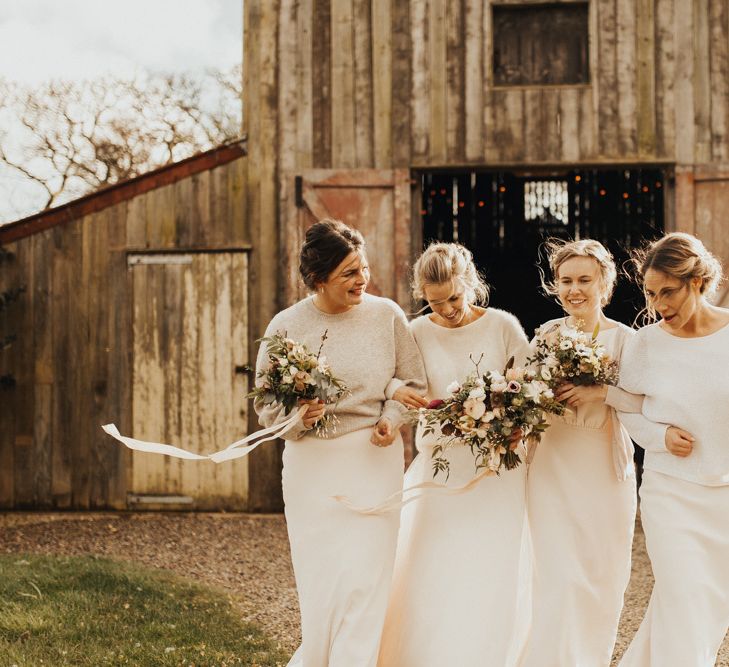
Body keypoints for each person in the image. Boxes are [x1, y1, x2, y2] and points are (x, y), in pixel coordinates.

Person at [253, 219, 426, 667]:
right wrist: (296, 417)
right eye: (349, 272)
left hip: (373, 460)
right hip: (312, 468)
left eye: (363, 268)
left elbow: (411, 380)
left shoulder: (387, 315)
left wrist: (392, 418)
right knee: (323, 583)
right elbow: (266, 405)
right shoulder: (285, 326)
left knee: (367, 582)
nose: (361, 280)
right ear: (317, 279)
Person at [377, 242, 531, 667]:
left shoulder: (502, 326)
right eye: (434, 302)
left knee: (490, 565)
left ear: (470, 285)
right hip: (440, 469)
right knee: (432, 566)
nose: (445, 310)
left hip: (496, 470)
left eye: (453, 299)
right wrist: (394, 402)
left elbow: (530, 388)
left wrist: (517, 425)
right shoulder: (416, 332)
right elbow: (395, 383)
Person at [521, 239, 640, 667]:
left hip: (602, 472)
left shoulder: (627, 340)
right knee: (555, 571)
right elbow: (522, 394)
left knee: (598, 572)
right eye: (566, 280)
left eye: (584, 280)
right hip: (552, 464)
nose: (574, 289)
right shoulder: (546, 335)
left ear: (604, 283)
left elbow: (643, 402)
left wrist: (602, 391)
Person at [617, 232, 729, 666]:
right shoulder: (645, 344)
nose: (659, 304)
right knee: (684, 598)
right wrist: (658, 436)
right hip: (671, 491)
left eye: (669, 292)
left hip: (724, 492)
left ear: (698, 282)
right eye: (651, 293)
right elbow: (623, 406)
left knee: (706, 607)